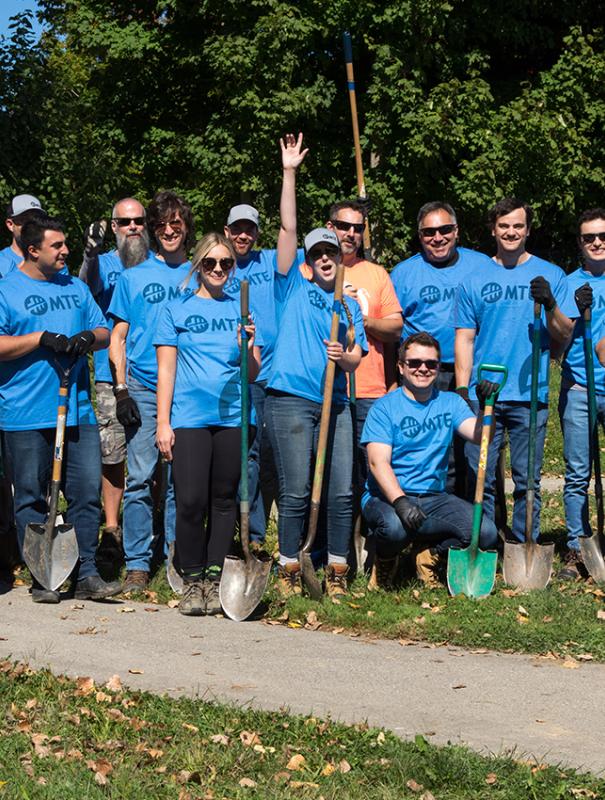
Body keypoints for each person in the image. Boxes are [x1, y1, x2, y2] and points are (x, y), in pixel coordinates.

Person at [0, 216, 121, 603]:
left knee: (85, 492)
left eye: (65, 244)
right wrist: (38, 339)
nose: (66, 250)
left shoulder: (77, 288)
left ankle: (85, 572)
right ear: (33, 250)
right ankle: (43, 575)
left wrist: (89, 337)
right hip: (25, 411)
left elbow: (103, 331)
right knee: (32, 497)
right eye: (57, 246)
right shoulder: (6, 289)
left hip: (78, 407)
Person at [455, 197, 575, 543]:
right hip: (485, 393)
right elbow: (464, 338)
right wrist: (464, 389)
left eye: (518, 226)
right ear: (493, 229)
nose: (511, 232)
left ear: (528, 230)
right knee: (482, 478)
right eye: (504, 225)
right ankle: (487, 543)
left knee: (527, 480)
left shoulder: (551, 275)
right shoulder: (473, 279)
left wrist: (551, 303)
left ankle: (525, 545)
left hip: (529, 394)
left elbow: (564, 333)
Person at [155, 233, 262, 615]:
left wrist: (247, 345)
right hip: (188, 417)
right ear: (198, 265)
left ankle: (215, 579)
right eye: (211, 263)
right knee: (189, 500)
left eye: (226, 264)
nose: (219, 270)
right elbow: (165, 369)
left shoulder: (243, 309)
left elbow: (252, 374)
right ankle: (191, 579)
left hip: (233, 417)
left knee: (223, 499)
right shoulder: (175, 309)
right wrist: (163, 422)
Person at [266, 203, 367, 598]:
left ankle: (337, 569)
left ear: (341, 258)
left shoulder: (349, 305)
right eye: (317, 255)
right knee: (296, 489)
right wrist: (289, 172)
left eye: (331, 253)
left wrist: (343, 358)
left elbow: (356, 358)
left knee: (342, 490)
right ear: (308, 262)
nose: (325, 259)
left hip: (335, 404)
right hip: (290, 399)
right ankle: (289, 565)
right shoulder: (293, 288)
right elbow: (288, 229)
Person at [361, 332, 499, 588]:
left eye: (430, 364)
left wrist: (486, 407)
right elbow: (377, 463)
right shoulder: (384, 407)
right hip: (387, 498)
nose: (422, 369)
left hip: (434, 498)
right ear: (401, 367)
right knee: (394, 528)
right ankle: (386, 561)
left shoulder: (450, 402)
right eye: (414, 363)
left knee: (487, 533)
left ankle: (429, 557)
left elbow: (481, 437)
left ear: (438, 368)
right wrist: (400, 502)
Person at [108, 191, 195, 592]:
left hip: (187, 389)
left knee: (180, 478)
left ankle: (177, 557)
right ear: (154, 231)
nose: (169, 231)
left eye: (176, 224)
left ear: (186, 227)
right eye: (161, 225)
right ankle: (138, 564)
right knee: (141, 477)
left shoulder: (200, 273)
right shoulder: (133, 276)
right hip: (143, 386)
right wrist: (121, 389)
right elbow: (117, 337)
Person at [223, 138, 307, 542]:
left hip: (270, 378)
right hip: (232, 378)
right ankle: (249, 538)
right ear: (226, 232)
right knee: (247, 460)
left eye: (249, 229)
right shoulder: (214, 265)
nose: (243, 236)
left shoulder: (272, 264)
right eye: (236, 229)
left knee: (274, 462)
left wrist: (288, 173)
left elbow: (289, 228)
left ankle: (275, 538)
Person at [390, 202, 494, 495]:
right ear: (419, 235)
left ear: (456, 231)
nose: (438, 237)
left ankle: (487, 524)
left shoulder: (482, 266)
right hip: (423, 373)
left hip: (474, 374)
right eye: (429, 232)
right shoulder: (403, 273)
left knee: (480, 451)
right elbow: (391, 332)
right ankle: (438, 522)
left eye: (445, 229)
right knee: (436, 450)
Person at [79, 197, 150, 566]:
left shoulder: (159, 263)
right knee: (114, 454)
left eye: (139, 220)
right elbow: (84, 289)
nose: (133, 227)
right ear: (114, 226)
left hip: (155, 375)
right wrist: (90, 254)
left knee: (155, 456)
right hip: (111, 376)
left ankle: (153, 530)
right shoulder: (105, 263)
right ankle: (111, 529)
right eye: (125, 222)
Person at [558, 208, 605, 578]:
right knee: (577, 472)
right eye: (589, 237)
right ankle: (576, 547)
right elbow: (557, 336)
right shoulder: (569, 282)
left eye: (602, 235)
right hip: (579, 386)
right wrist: (574, 312)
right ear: (580, 243)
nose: (597, 242)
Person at [0, 194, 46, 277]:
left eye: (36, 219)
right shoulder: (2, 263)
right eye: (25, 220)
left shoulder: (53, 261)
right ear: (10, 225)